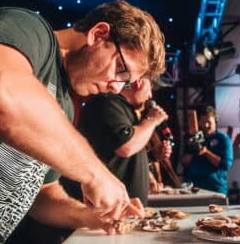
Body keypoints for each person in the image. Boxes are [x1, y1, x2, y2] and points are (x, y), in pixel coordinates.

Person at [0, 0, 164, 243]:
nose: (117, 88)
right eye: (121, 70)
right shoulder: (27, 28)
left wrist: (89, 216)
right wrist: (95, 174)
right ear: (98, 34)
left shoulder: (63, 107)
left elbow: (40, 195)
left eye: (127, 82)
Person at [60, 77, 168, 206]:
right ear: (139, 82)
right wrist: (152, 120)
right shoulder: (107, 102)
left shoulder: (123, 108)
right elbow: (125, 146)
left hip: (121, 210)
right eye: (150, 87)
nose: (150, 95)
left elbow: (118, 154)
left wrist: (147, 171)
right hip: (106, 209)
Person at [181, 105, 233, 195]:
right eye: (203, 122)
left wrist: (206, 152)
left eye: (209, 122)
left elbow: (226, 165)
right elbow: (184, 161)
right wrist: (192, 154)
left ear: (215, 121)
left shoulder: (223, 139)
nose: (206, 125)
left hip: (215, 190)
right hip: (194, 189)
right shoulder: (194, 138)